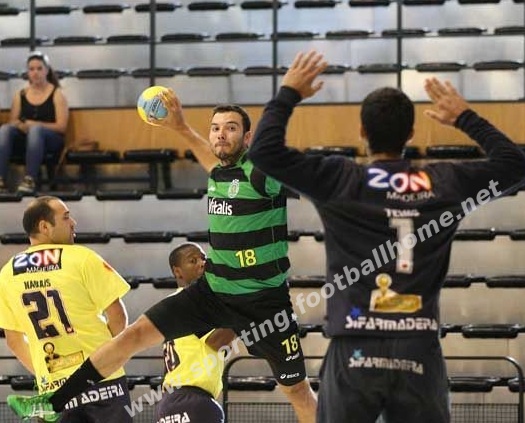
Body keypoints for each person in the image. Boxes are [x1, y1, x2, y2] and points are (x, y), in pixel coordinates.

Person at [246, 51, 525, 422]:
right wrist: (465, 117)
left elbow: (263, 152)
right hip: (418, 347)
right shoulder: (442, 182)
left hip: (355, 345)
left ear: (362, 132)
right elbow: (517, 166)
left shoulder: (341, 178)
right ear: (411, 135)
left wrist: (288, 93)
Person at [7, 96, 318, 423]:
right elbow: (208, 158)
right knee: (134, 335)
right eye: (215, 128)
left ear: (247, 137)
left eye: (230, 128)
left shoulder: (260, 172)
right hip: (214, 291)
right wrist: (179, 126)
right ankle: (54, 402)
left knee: (297, 391)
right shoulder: (219, 173)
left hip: (264, 301)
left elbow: (302, 180)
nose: (221, 134)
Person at [0, 196, 131, 423]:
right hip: (103, 384)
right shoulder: (82, 257)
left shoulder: (7, 273)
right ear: (44, 227)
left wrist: (46, 375)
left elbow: (14, 340)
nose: (73, 223)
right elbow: (117, 316)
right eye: (66, 217)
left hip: (54, 393)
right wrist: (106, 361)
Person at [156, 242, 236, 423]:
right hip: (193, 402)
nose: (202, 263)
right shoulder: (193, 301)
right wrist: (245, 308)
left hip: (168, 403)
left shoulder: (173, 302)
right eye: (193, 261)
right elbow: (216, 342)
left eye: (203, 259)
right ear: (177, 272)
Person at [0, 51, 69, 194]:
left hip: (51, 139)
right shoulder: (21, 94)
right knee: (5, 129)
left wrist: (35, 125)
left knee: (36, 131)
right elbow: (13, 121)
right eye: (31, 69)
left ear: (46, 70)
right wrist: (22, 125)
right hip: (27, 138)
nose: (35, 73)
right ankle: (1, 179)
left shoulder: (57, 94)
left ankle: (29, 180)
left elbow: (62, 127)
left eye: (39, 68)